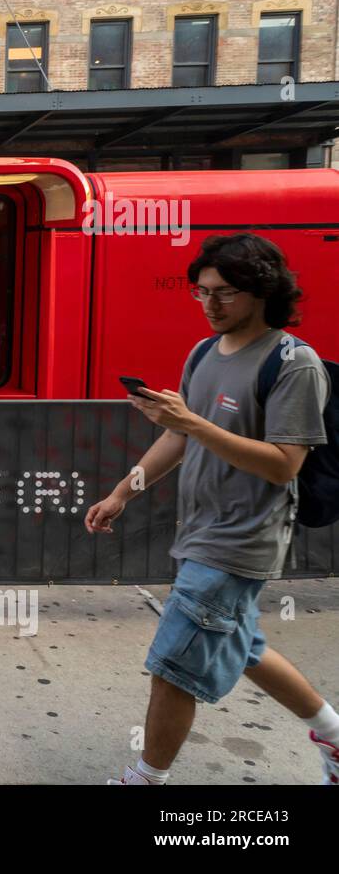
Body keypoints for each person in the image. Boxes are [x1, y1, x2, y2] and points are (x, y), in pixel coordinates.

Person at [86, 233, 338, 786]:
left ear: (262, 291)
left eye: (224, 292)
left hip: (240, 540)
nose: (210, 304)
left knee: (173, 668)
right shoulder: (203, 353)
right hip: (201, 530)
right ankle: (335, 737)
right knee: (242, 646)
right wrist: (124, 490)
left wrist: (193, 422)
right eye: (201, 293)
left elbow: (282, 465)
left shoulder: (295, 363)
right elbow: (180, 440)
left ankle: (146, 779)